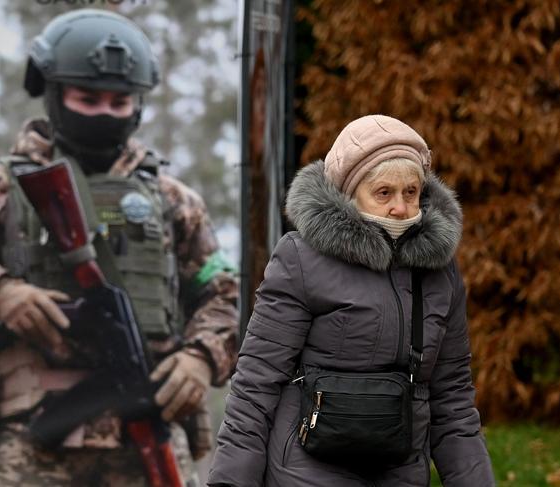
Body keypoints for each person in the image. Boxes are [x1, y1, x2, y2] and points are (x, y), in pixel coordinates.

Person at [0, 9, 238, 487]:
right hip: (26, 451)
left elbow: (226, 299)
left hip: (146, 439)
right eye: (87, 99)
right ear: (53, 94)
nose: (105, 113)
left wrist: (202, 357)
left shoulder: (173, 201)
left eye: (119, 101)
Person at [207, 115, 495, 486]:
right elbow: (255, 383)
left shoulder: (438, 271)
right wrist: (230, 481)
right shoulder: (301, 258)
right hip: (306, 466)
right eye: (384, 193)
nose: (401, 208)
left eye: (410, 192)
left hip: (400, 469)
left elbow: (452, 398)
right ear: (349, 192)